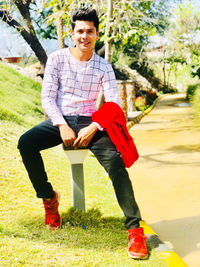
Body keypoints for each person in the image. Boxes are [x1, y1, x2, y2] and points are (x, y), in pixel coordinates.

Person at [18, 8, 148, 259]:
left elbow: (112, 103)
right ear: (72, 33)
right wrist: (61, 125)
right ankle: (48, 198)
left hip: (92, 122)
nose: (84, 36)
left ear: (97, 34)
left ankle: (134, 229)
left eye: (90, 31)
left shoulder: (103, 66)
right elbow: (47, 96)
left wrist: (95, 127)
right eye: (80, 31)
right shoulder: (57, 59)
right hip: (61, 120)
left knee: (116, 162)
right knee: (26, 143)